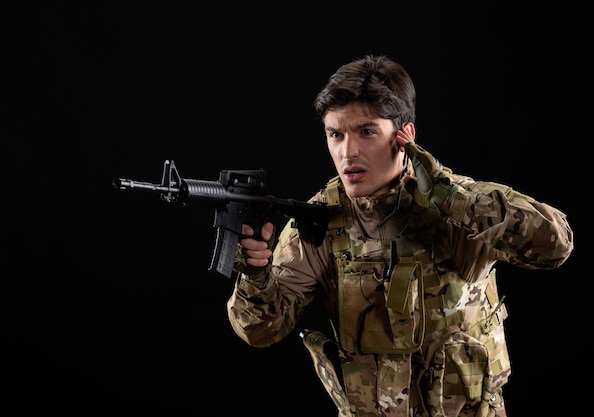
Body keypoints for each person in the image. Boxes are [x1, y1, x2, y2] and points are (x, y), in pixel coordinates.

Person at [226, 54, 574, 417]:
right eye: (336, 134)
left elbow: (555, 245)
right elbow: (260, 331)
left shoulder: (460, 205)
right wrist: (255, 276)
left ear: (404, 134)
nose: (348, 152)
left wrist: (451, 199)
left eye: (367, 131)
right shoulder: (320, 221)